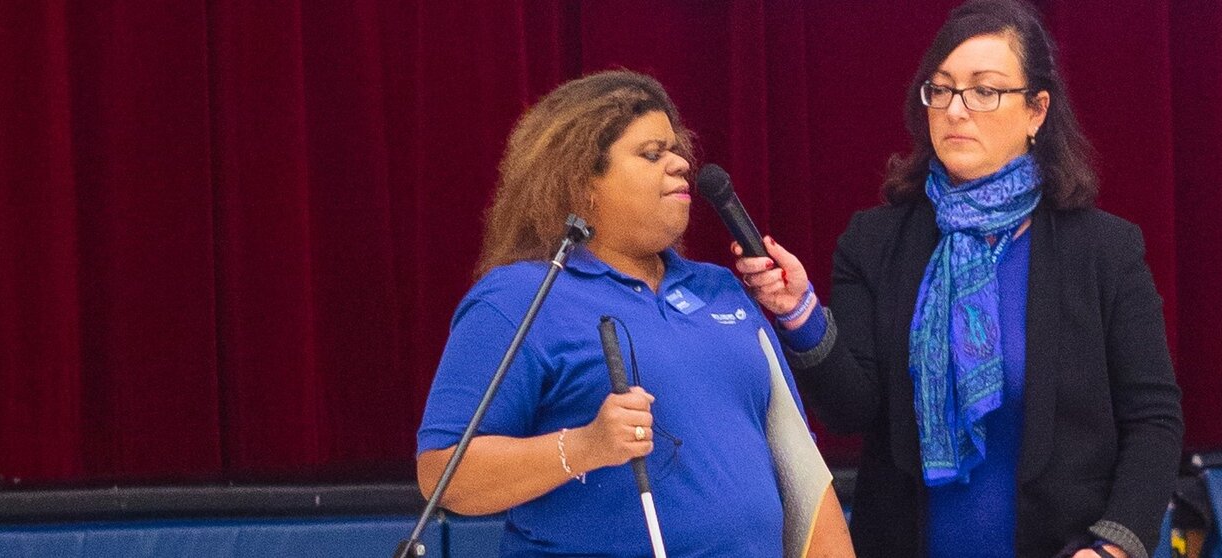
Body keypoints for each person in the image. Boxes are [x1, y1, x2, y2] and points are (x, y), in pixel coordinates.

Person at [730, 1, 1182, 557]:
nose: (955, 110)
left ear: (1037, 110)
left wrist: (1114, 548)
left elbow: (1153, 420)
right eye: (939, 90)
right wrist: (799, 312)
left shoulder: (1104, 249)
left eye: (984, 90)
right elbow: (853, 411)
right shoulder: (876, 241)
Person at [414, 70, 851, 558]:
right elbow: (443, 474)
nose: (681, 164)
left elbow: (800, 468)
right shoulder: (519, 297)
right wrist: (584, 446)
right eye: (652, 154)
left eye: (676, 149)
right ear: (582, 185)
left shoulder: (722, 288)